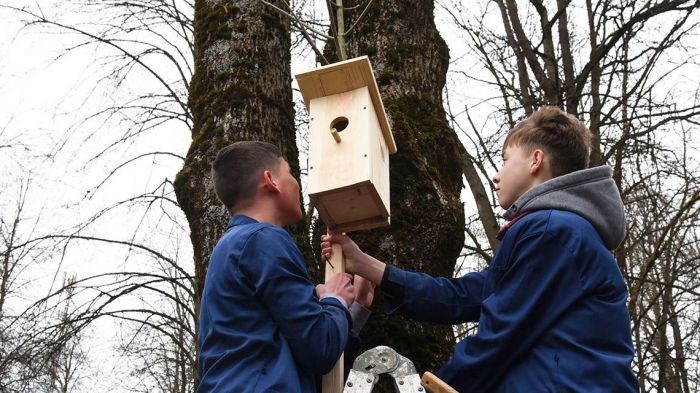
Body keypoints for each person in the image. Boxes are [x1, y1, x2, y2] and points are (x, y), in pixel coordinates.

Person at [322, 106, 639, 392]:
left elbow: (502, 333)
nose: (496, 174)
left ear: (536, 160)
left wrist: (437, 386)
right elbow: (464, 297)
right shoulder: (551, 231)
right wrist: (371, 268)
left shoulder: (553, 231)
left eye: (505, 159)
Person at [198, 141, 373, 393]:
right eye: (290, 173)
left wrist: (356, 307)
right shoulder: (263, 239)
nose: (297, 183)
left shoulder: (234, 247)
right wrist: (334, 298)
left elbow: (303, 356)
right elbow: (320, 348)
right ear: (271, 180)